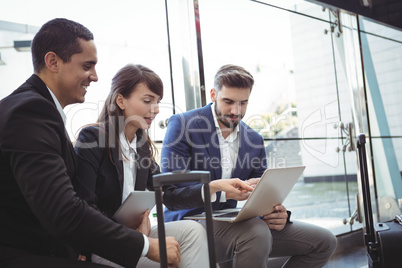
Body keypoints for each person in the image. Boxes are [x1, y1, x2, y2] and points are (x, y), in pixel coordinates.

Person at [0, 18, 180, 268]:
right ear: (53, 62)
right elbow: (64, 211)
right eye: (87, 66)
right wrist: (145, 246)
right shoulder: (32, 111)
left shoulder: (39, 109)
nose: (95, 77)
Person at [161, 64, 338, 267]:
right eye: (228, 101)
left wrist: (276, 212)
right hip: (189, 222)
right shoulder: (183, 125)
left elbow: (263, 192)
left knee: (324, 241)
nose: (236, 111)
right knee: (256, 233)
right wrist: (219, 192)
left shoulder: (253, 138)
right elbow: (171, 195)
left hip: (235, 224)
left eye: (243, 103)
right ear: (212, 94)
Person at [73, 63, 210, 267]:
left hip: (134, 235)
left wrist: (213, 188)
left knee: (193, 231)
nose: (155, 110)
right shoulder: (93, 139)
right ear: (120, 100)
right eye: (147, 101)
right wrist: (133, 236)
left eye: (158, 102)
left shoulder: (141, 146)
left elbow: (169, 194)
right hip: (105, 241)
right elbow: (85, 206)